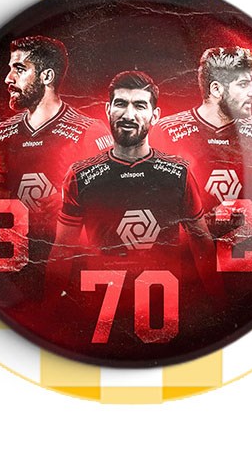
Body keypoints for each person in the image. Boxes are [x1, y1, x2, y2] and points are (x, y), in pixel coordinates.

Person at [46, 70, 221, 301]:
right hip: (99, 307)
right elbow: (62, 249)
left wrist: (218, 300)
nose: (128, 115)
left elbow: (201, 243)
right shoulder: (80, 175)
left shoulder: (179, 173)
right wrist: (49, 305)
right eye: (120, 103)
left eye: (139, 105)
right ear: (108, 110)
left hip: (164, 307)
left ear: (155, 116)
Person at [150, 46, 252, 264]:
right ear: (216, 89)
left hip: (248, 268)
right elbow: (148, 208)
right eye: (243, 84)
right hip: (189, 268)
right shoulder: (167, 131)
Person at [0, 35, 112, 220]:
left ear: (47, 76)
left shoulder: (89, 131)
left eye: (19, 69)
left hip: (69, 237)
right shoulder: (2, 133)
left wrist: (72, 201)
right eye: (10, 69)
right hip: (17, 238)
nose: (8, 79)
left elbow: (116, 197)